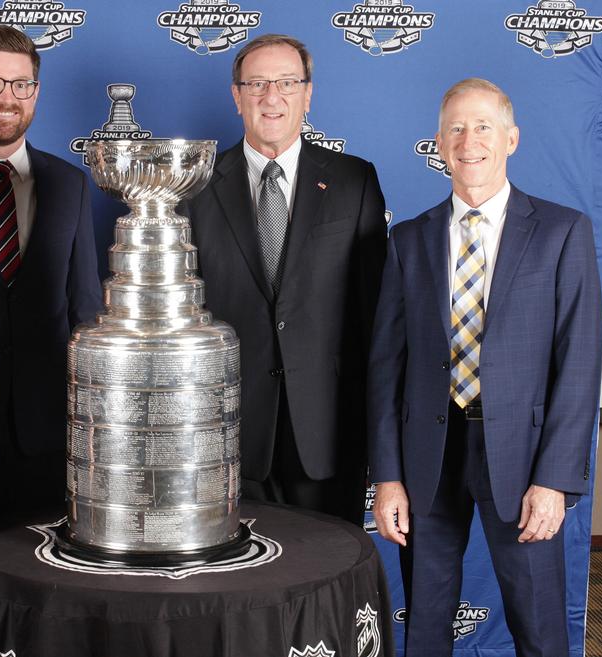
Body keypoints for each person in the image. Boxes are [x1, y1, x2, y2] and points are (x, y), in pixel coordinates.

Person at [368, 78, 602, 656]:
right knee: (423, 620)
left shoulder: (561, 231)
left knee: (539, 624)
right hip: (428, 458)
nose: (468, 140)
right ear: (438, 144)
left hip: (524, 463)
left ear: (511, 138)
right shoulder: (409, 240)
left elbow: (579, 365)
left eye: (483, 127)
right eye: (455, 128)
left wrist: (555, 479)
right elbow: (385, 367)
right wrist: (388, 476)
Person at [183, 34, 387, 523]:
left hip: (328, 430)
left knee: (326, 577)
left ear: (307, 94)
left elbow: (375, 316)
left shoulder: (354, 181)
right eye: (256, 84)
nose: (271, 97)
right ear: (236, 96)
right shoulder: (195, 186)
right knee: (238, 586)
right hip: (225, 431)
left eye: (286, 83)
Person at [0, 26, 102, 520]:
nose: (7, 98)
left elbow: (84, 307)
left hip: (48, 432)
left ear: (35, 93)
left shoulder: (70, 183)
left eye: (21, 84)